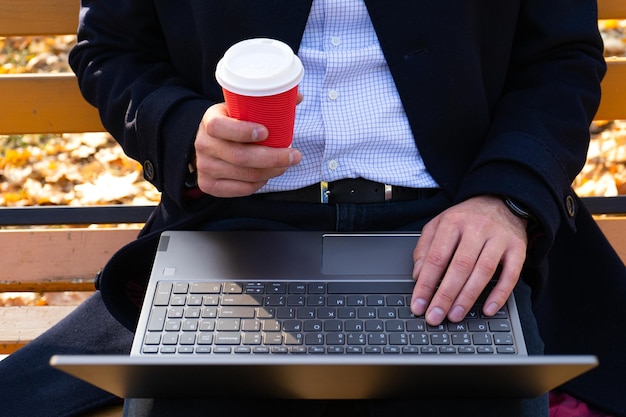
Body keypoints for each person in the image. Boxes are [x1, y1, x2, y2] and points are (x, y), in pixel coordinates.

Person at [1, 0, 624, 416]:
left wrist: (506, 197)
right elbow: (109, 48)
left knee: (485, 397)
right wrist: (184, 132)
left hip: (456, 223)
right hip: (231, 230)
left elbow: (561, 57)